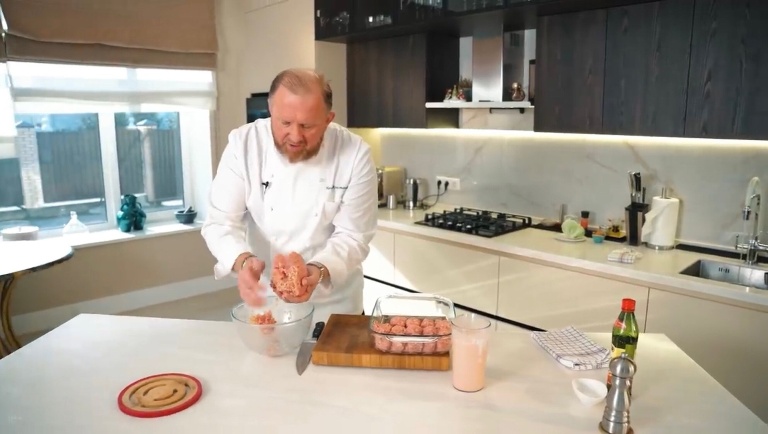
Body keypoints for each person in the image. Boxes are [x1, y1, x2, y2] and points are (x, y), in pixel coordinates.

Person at [201, 68, 378, 324]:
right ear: (271, 110)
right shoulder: (244, 145)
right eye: (285, 123)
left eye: (307, 126)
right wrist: (243, 261)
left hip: (337, 307)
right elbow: (220, 222)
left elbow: (354, 235)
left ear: (328, 119)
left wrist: (317, 271)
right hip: (267, 303)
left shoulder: (355, 153)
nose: (295, 136)